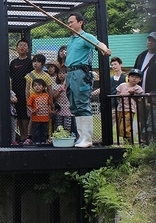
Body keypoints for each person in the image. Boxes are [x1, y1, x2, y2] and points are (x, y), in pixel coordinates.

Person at [65, 12, 111, 148]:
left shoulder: (85, 36)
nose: (69, 24)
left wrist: (105, 49)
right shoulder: (72, 39)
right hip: (70, 74)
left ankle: (88, 138)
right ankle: (82, 137)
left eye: (71, 22)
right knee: (74, 105)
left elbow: (99, 44)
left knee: (82, 104)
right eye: (68, 22)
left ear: (80, 22)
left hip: (80, 73)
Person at [9, 39, 33, 143]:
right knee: (17, 114)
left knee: (25, 115)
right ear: (16, 48)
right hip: (15, 93)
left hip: (26, 92)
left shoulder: (30, 62)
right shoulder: (13, 62)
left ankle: (26, 136)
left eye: (24, 45)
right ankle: (20, 136)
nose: (22, 47)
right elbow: (10, 77)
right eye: (20, 45)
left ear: (28, 49)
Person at [115, 68, 144, 143]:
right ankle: (126, 141)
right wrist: (120, 95)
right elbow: (117, 95)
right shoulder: (122, 85)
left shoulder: (138, 88)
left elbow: (140, 100)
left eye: (137, 77)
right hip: (120, 109)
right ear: (128, 77)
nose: (134, 79)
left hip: (130, 110)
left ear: (140, 79)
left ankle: (129, 143)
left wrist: (133, 94)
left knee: (126, 126)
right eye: (132, 76)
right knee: (120, 127)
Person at [26, 79, 54, 145]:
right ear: (33, 88)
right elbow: (28, 105)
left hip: (45, 118)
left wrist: (50, 110)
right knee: (36, 130)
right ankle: (36, 142)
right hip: (36, 118)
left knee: (44, 130)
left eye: (39, 85)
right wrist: (32, 110)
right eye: (35, 85)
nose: (37, 87)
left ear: (44, 87)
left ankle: (44, 141)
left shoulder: (46, 95)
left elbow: (49, 104)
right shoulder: (32, 96)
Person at [53, 67, 74, 135]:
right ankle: (59, 137)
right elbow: (54, 96)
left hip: (68, 106)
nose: (61, 75)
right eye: (59, 73)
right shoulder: (55, 85)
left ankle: (67, 136)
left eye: (63, 73)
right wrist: (60, 91)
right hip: (59, 107)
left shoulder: (70, 85)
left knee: (67, 124)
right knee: (59, 125)